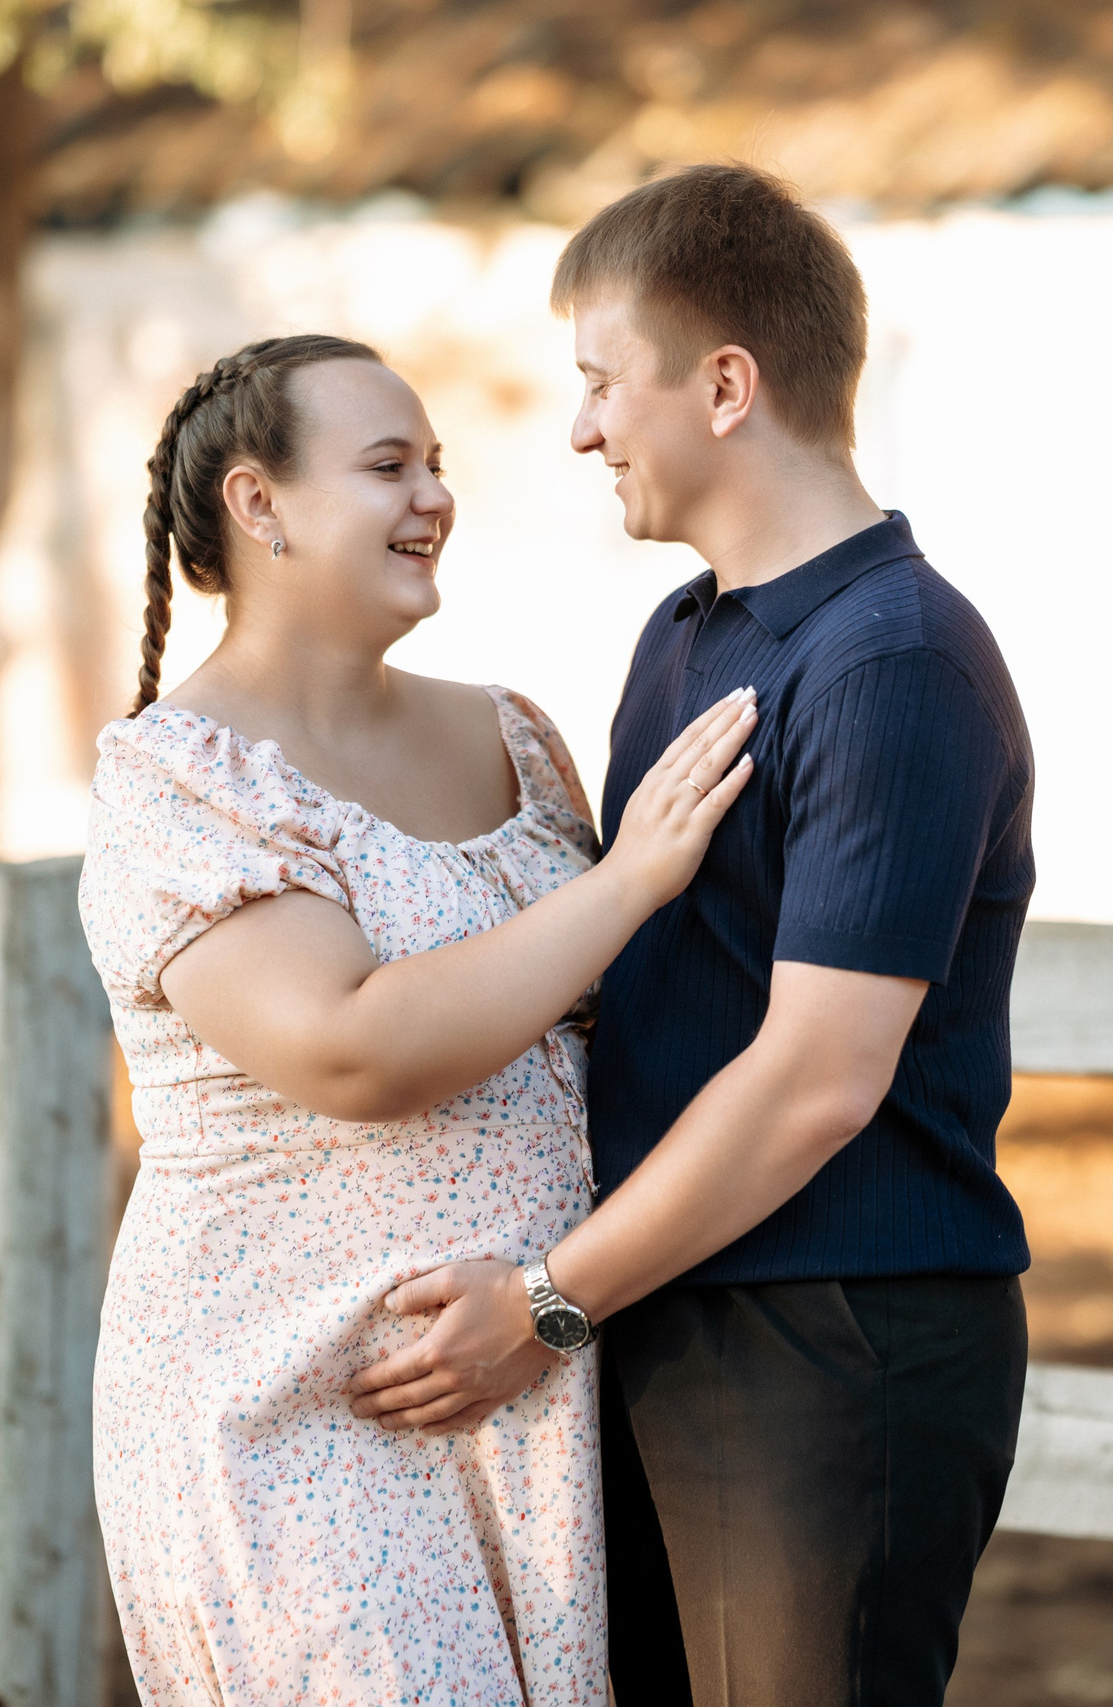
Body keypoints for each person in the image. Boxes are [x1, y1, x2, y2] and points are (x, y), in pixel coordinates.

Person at [347, 164, 1038, 1707]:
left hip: (831, 1342)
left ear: (726, 385)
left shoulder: (894, 663)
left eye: (601, 381)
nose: (581, 427)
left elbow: (817, 1081)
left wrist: (542, 1302)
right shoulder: (688, 635)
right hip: (667, 1306)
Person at [75, 331, 758, 1705]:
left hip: (529, 1386)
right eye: (388, 465)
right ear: (257, 505)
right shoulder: (176, 785)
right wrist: (630, 881)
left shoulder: (510, 734)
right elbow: (352, 1046)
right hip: (297, 1410)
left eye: (436, 463)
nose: (434, 495)